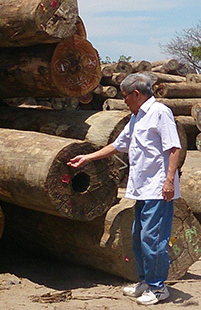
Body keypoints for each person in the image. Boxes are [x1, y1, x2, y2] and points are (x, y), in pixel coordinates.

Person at [68, 72, 181, 306]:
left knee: (154, 238)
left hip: (159, 189)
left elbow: (173, 148)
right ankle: (145, 281)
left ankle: (158, 287)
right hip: (142, 188)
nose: (125, 100)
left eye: (126, 96)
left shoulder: (160, 112)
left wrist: (169, 181)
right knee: (138, 237)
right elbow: (118, 145)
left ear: (136, 94)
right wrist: (87, 158)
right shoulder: (136, 117)